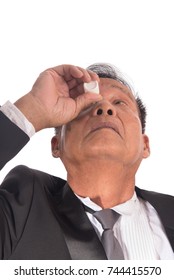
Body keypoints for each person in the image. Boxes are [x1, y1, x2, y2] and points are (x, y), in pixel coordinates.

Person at [0, 63, 174, 260]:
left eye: (119, 103)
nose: (105, 108)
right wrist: (33, 108)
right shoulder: (23, 206)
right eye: (88, 105)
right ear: (57, 145)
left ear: (145, 146)